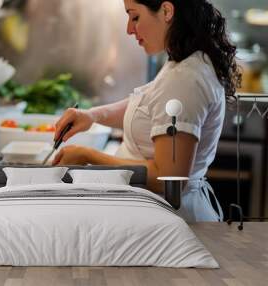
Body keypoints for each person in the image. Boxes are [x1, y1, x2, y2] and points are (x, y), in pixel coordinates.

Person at [52, 0, 242, 222]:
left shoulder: (184, 79)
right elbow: (147, 106)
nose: (129, 29)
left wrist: (88, 156)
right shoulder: (185, 63)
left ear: (167, 11)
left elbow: (168, 178)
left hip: (170, 224)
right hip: (158, 216)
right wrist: (93, 115)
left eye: (135, 17)